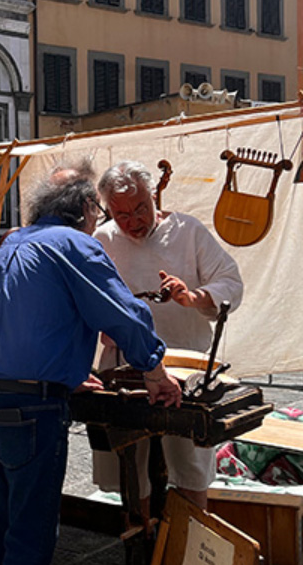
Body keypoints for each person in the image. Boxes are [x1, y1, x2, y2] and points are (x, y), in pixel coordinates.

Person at [0, 163, 182, 565]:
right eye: (98, 214)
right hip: (28, 411)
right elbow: (121, 312)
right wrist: (155, 371)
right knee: (31, 541)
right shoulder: (75, 243)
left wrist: (65, 370)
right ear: (86, 211)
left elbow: (24, 318)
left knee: (4, 530)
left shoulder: (12, 244)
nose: (99, 223)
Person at [92, 160, 244, 512]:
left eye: (140, 209)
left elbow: (231, 282)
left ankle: (192, 544)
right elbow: (86, 295)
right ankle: (141, 540)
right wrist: (104, 323)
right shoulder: (103, 239)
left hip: (186, 363)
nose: (133, 222)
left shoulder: (186, 230)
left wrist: (194, 297)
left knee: (189, 460)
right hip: (125, 368)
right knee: (131, 461)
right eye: (122, 214)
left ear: (153, 196)